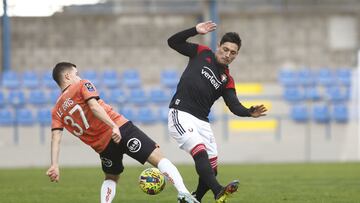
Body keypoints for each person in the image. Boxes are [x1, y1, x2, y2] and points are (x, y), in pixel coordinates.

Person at [46, 62, 199, 203]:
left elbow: (56, 137)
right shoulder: (81, 84)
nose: (78, 76)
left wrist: (54, 164)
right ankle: (184, 193)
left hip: (103, 147)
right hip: (120, 129)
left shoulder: (56, 111)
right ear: (67, 76)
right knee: (158, 157)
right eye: (76, 73)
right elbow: (94, 106)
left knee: (111, 177)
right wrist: (113, 126)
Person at [167, 21, 268, 203]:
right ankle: (218, 191)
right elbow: (172, 42)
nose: (228, 54)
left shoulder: (227, 79)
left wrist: (248, 112)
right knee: (200, 152)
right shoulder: (201, 53)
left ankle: (195, 198)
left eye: (233, 53)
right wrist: (194, 30)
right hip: (180, 113)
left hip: (202, 121)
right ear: (218, 46)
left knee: (212, 167)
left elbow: (234, 105)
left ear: (236, 56)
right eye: (225, 49)